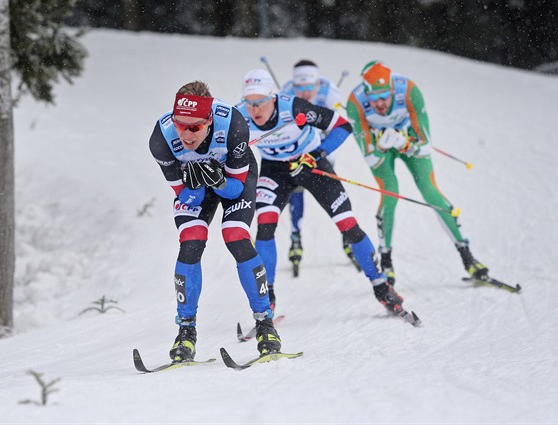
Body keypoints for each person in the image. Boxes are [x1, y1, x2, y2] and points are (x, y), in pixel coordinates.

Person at [236, 68, 408, 316]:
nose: (255, 110)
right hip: (275, 170)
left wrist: (317, 154)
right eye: (249, 103)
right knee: (264, 225)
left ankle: (382, 287)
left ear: (272, 98)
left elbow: (342, 126)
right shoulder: (238, 116)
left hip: (311, 164)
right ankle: (267, 299)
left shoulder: (295, 108)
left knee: (347, 223)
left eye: (260, 102)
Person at [149, 81, 282, 361]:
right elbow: (185, 197)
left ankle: (265, 325)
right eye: (180, 124)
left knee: (236, 236)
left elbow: (235, 190)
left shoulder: (233, 126)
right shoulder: (161, 139)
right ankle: (186, 332)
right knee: (191, 241)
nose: (186, 134)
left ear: (209, 121)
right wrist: (197, 187)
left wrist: (218, 180)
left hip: (233, 181)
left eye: (194, 127)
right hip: (196, 187)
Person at [344, 61, 489, 286]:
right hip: (377, 141)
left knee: (430, 192)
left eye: (385, 96)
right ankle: (387, 262)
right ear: (366, 94)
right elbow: (370, 156)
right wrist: (382, 145)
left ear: (393, 90)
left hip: (407, 135)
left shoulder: (410, 91)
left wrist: (407, 144)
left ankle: (468, 257)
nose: (380, 103)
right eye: (374, 99)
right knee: (390, 194)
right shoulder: (355, 104)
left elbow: (425, 145)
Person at [279, 60, 360, 275]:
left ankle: (347, 237)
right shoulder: (285, 93)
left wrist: (319, 150)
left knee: (332, 194)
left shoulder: (330, 93)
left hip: (322, 149)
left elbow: (338, 128)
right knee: (295, 188)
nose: (305, 93)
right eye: (300, 88)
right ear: (293, 87)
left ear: (317, 84)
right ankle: (295, 238)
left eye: (309, 88)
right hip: (297, 149)